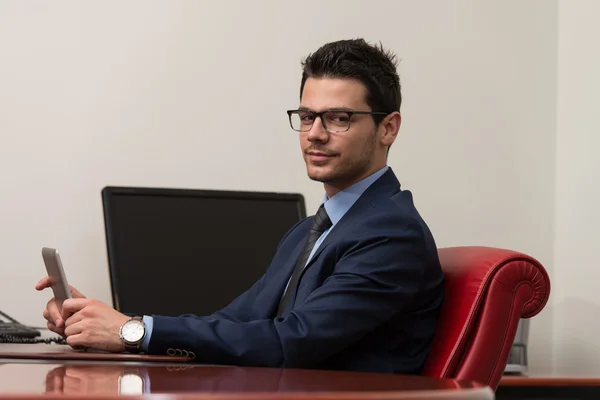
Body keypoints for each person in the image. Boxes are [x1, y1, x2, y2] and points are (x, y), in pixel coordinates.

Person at [37, 38, 444, 374]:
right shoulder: (309, 230)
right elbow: (233, 324)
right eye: (306, 116)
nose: (314, 135)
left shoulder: (391, 233)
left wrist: (132, 331)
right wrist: (101, 322)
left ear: (388, 127)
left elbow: (291, 342)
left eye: (338, 118)